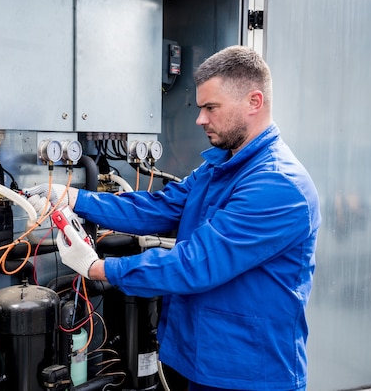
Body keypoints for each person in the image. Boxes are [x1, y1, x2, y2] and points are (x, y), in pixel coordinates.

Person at [24, 45, 321, 391]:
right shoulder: (220, 166)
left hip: (251, 372)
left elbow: (195, 264)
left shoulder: (278, 186)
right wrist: (74, 197)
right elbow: (159, 207)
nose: (200, 119)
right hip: (198, 358)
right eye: (200, 108)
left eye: (211, 108)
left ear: (254, 102)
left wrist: (98, 268)